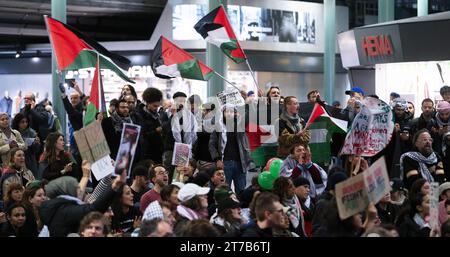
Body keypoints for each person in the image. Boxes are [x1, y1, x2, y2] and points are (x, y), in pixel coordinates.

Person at [39, 169, 127, 237]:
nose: (80, 189)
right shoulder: (65, 211)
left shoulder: (58, 207)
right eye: (76, 187)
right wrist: (114, 186)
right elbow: (93, 209)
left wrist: (86, 175)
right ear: (68, 191)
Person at [209, 104, 255, 195]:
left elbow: (250, 116)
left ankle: (240, 208)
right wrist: (217, 159)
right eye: (227, 111)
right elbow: (212, 145)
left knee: (241, 191)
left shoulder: (240, 125)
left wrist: (247, 104)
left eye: (231, 111)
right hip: (225, 163)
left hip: (240, 163)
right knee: (225, 190)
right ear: (223, 113)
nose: (229, 114)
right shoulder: (218, 128)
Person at [162, 92, 198, 181]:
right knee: (168, 175)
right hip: (171, 149)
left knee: (182, 176)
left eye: (184, 101)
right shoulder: (167, 113)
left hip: (184, 148)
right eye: (180, 101)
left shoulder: (189, 116)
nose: (182, 103)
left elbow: (193, 133)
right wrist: (173, 116)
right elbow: (165, 129)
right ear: (174, 101)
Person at [137, 87, 164, 164]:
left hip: (158, 152)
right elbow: (142, 135)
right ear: (147, 103)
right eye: (154, 106)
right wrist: (156, 131)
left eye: (158, 106)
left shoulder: (158, 115)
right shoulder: (140, 115)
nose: (156, 108)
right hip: (147, 154)